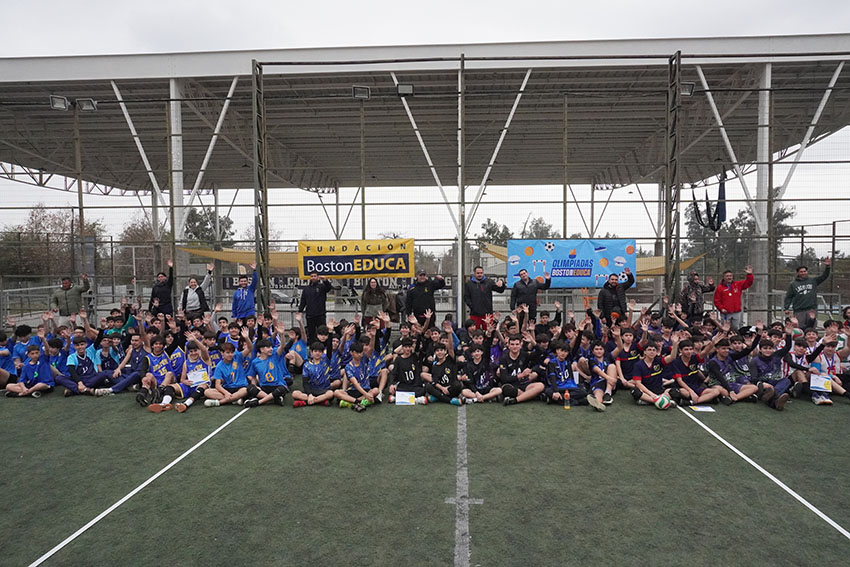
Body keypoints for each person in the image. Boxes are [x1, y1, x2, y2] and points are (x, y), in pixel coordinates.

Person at [784, 258, 831, 330]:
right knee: (799, 329)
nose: (803, 273)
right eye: (801, 272)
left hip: (811, 309)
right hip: (799, 310)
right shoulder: (793, 284)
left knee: (811, 328)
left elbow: (824, 276)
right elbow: (789, 296)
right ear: (798, 273)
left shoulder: (813, 281)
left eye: (804, 271)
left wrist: (827, 267)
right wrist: (786, 307)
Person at [298, 271, 334, 343]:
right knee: (311, 333)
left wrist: (325, 281)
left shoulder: (322, 287)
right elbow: (303, 301)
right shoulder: (306, 289)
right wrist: (300, 311)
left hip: (320, 314)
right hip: (310, 315)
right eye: (312, 276)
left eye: (315, 276)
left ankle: (323, 347)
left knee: (322, 332)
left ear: (317, 277)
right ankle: (312, 348)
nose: (313, 278)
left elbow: (329, 288)